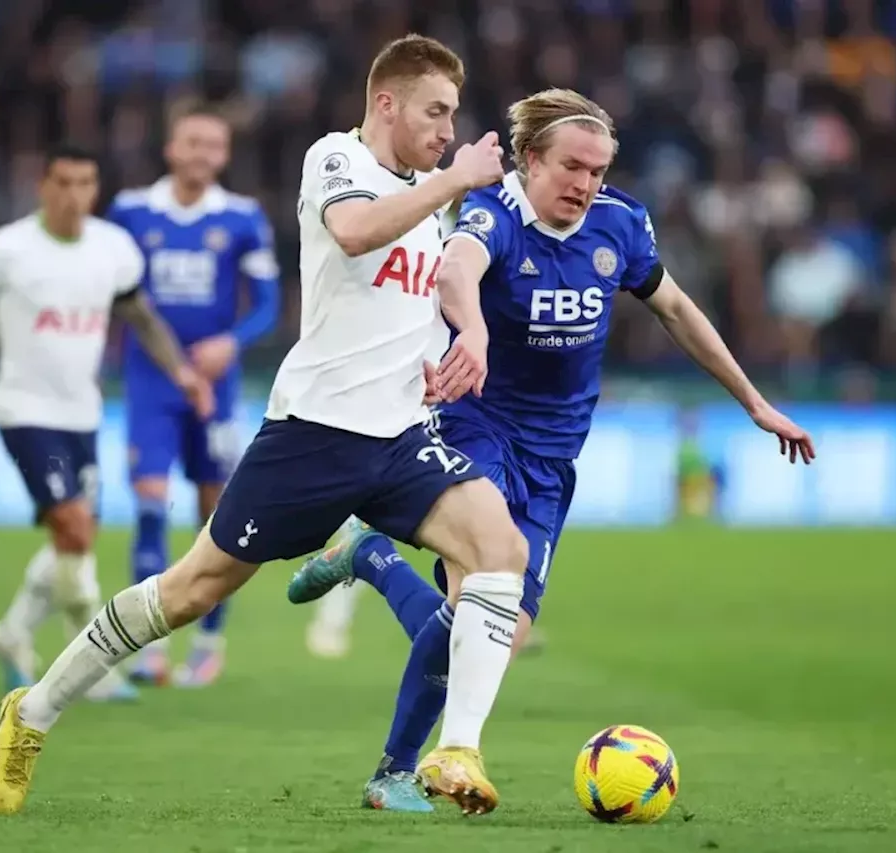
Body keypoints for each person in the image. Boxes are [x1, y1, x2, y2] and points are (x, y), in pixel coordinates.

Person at [0, 34, 528, 818]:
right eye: (434, 112)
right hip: (314, 434)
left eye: (452, 116)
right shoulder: (336, 159)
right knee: (189, 591)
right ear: (386, 103)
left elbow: (436, 276)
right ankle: (31, 713)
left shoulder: (428, 191)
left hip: (406, 435)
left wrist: (466, 334)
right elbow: (355, 233)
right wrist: (453, 179)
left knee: (498, 549)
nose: (448, 129)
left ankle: (458, 748)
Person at [286, 88, 816, 813]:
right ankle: (405, 767)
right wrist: (470, 331)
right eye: (572, 166)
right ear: (531, 158)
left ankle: (369, 557)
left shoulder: (621, 225)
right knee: (476, 593)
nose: (585, 183)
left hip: (554, 455)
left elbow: (677, 310)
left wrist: (754, 402)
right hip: (475, 426)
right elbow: (454, 271)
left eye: (597, 170)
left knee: (490, 635)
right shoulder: (493, 213)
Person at [0, 143, 213, 705]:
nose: (74, 195)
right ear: (43, 186)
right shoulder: (6, 251)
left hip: (83, 415)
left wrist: (183, 372)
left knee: (71, 539)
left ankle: (11, 635)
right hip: (24, 412)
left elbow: (141, 317)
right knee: (76, 530)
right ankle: (94, 667)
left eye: (85, 183)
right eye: (64, 183)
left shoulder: (113, 249)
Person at [108, 106, 280, 688]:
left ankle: (209, 641)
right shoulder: (131, 212)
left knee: (217, 516)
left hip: (215, 388)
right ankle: (150, 649)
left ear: (224, 156)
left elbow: (267, 305)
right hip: (151, 382)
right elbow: (109, 291)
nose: (203, 153)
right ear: (171, 149)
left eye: (214, 145)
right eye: (193, 143)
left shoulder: (241, 218)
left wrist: (231, 342)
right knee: (151, 504)